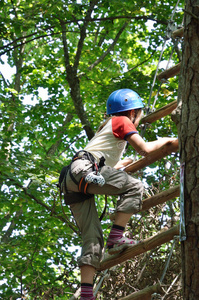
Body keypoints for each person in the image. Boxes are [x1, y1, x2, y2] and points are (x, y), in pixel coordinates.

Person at [59, 89, 177, 300]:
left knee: (92, 239)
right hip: (85, 171)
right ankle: (116, 237)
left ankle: (86, 295)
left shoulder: (105, 132)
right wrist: (172, 141)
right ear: (133, 112)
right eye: (139, 114)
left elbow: (106, 160)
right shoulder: (122, 120)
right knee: (135, 187)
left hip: (71, 179)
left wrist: (121, 164)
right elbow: (145, 149)